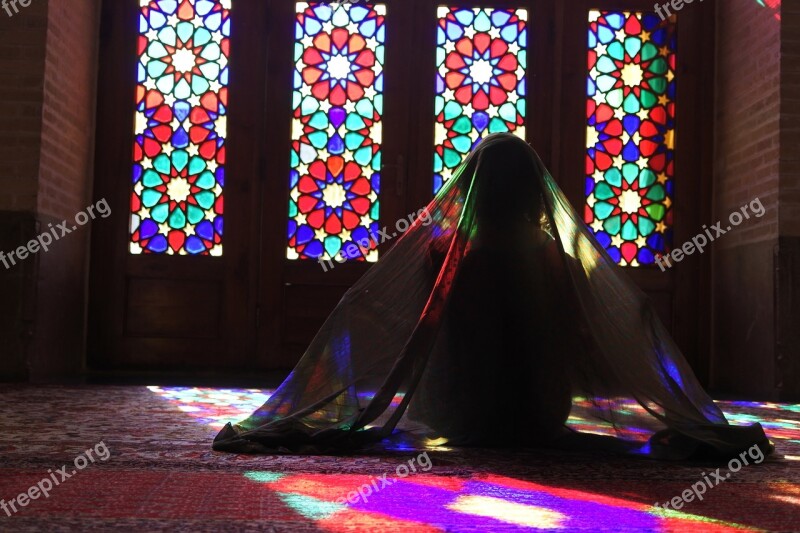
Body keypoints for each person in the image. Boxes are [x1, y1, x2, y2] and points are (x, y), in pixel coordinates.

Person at [214, 133, 773, 460]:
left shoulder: (457, 255)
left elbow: (426, 337)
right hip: (541, 417)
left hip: (464, 415)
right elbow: (582, 337)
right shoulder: (554, 255)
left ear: (474, 191)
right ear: (535, 193)